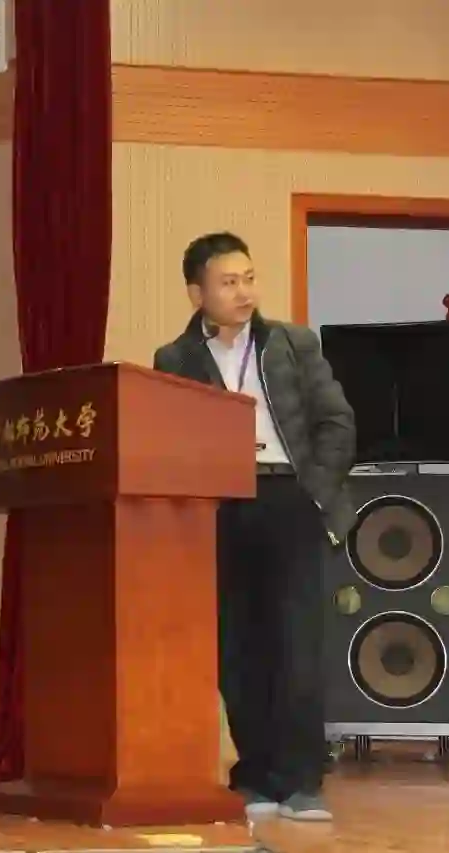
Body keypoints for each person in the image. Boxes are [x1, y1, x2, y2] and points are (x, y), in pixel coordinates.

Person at [152, 232, 356, 823]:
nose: (243, 292)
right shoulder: (175, 359)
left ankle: (302, 780)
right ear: (197, 294)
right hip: (220, 506)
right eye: (227, 282)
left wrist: (316, 493)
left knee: (296, 645)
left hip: (288, 496)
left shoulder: (292, 343)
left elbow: (336, 421)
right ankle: (256, 776)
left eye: (248, 278)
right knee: (235, 646)